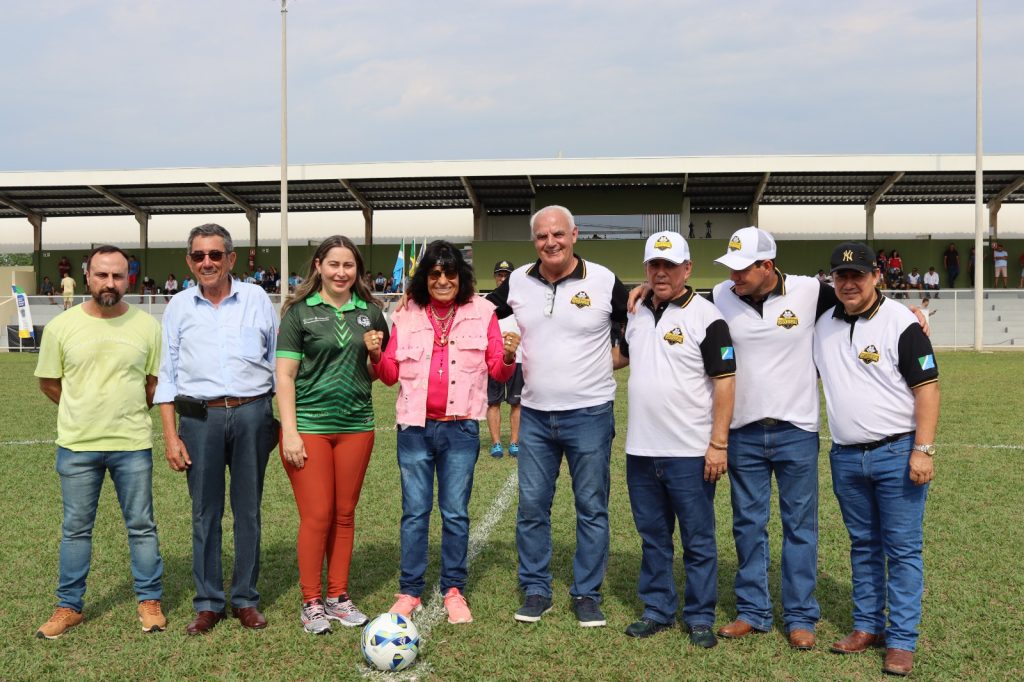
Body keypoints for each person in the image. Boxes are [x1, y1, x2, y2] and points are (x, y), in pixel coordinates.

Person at [487, 205, 628, 628]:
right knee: (532, 507)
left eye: (559, 234)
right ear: (534, 241)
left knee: (591, 507)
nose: (551, 242)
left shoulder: (603, 281)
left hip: (590, 413)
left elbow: (639, 323)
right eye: (542, 236)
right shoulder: (516, 281)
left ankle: (587, 593)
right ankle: (535, 589)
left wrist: (612, 363)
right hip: (533, 414)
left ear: (574, 234)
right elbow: (479, 316)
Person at [369, 240, 519, 625]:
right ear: (425, 277)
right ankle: (410, 591)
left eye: (449, 272)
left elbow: (497, 374)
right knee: (415, 514)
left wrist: (506, 356)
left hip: (460, 430)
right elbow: (388, 376)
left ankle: (454, 590)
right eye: (434, 273)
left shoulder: (483, 311)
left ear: (461, 276)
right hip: (414, 430)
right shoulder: (405, 315)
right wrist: (374, 354)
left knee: (455, 514)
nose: (442, 280)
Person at [707, 227, 838, 650]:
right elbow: (680, 305)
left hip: (796, 430)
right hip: (742, 432)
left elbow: (864, 303)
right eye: (730, 268)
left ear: (768, 266)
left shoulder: (810, 292)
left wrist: (910, 312)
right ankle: (753, 611)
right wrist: (639, 296)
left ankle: (801, 617)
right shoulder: (720, 295)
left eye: (742, 269)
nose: (734, 277)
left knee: (799, 527)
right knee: (748, 525)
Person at [813, 242, 939, 677]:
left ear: (876, 277)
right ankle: (868, 626)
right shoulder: (822, 323)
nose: (849, 283)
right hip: (846, 457)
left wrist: (922, 450)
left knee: (902, 550)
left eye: (858, 275)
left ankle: (902, 641)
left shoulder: (901, 322)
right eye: (841, 276)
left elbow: (928, 389)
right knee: (863, 546)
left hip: (897, 452)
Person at [33, 245, 166, 639]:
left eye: (118, 276)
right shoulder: (62, 327)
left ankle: (149, 600)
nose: (110, 283)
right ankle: (68, 607)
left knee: (142, 526)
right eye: (102, 275)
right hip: (77, 446)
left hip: (132, 444)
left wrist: (122, 413)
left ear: (129, 279)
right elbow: (48, 382)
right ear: (86, 276)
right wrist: (82, 410)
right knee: (76, 528)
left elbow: (152, 384)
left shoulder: (147, 327)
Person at [155, 223, 280, 636]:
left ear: (231, 258)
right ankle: (208, 603)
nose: (206, 262)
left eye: (214, 254)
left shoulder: (258, 299)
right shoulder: (178, 307)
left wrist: (280, 420)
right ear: (189, 262)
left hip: (252, 414)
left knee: (248, 510)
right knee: (204, 514)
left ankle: (245, 598)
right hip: (199, 419)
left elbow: (279, 362)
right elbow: (167, 375)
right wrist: (171, 436)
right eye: (198, 255)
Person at [616, 232, 735, 648]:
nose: (661, 272)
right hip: (641, 451)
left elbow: (724, 382)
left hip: (689, 452)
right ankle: (657, 609)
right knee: (653, 537)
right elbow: (619, 358)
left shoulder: (708, 317)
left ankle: (700, 615)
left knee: (698, 540)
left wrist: (718, 443)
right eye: (654, 265)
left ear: (688, 269)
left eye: (670, 265)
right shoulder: (636, 312)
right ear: (646, 269)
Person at [275, 236, 389, 635]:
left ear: (358, 270)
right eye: (334, 264)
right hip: (309, 428)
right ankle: (311, 602)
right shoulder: (299, 313)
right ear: (319, 266)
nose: (342, 273)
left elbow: (379, 375)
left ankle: (338, 597)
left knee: (344, 514)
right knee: (318, 515)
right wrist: (290, 431)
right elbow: (285, 376)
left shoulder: (371, 314)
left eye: (350, 266)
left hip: (357, 426)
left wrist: (376, 355)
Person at [486, 259, 524, 459]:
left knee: (516, 403)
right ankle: (496, 443)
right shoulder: (488, 302)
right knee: (494, 402)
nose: (503, 278)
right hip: (495, 360)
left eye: (507, 275)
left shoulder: (522, 301)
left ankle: (515, 442)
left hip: (518, 360)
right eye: (499, 274)